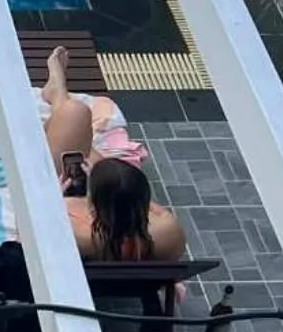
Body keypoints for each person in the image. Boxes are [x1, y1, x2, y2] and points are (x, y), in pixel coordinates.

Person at [40, 46, 186, 260]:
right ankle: (58, 95)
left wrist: (55, 198)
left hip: (55, 190)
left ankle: (58, 93)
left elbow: (30, 223)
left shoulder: (81, 236)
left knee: (74, 115)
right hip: (112, 212)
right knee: (78, 136)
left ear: (95, 207)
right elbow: (144, 207)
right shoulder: (167, 233)